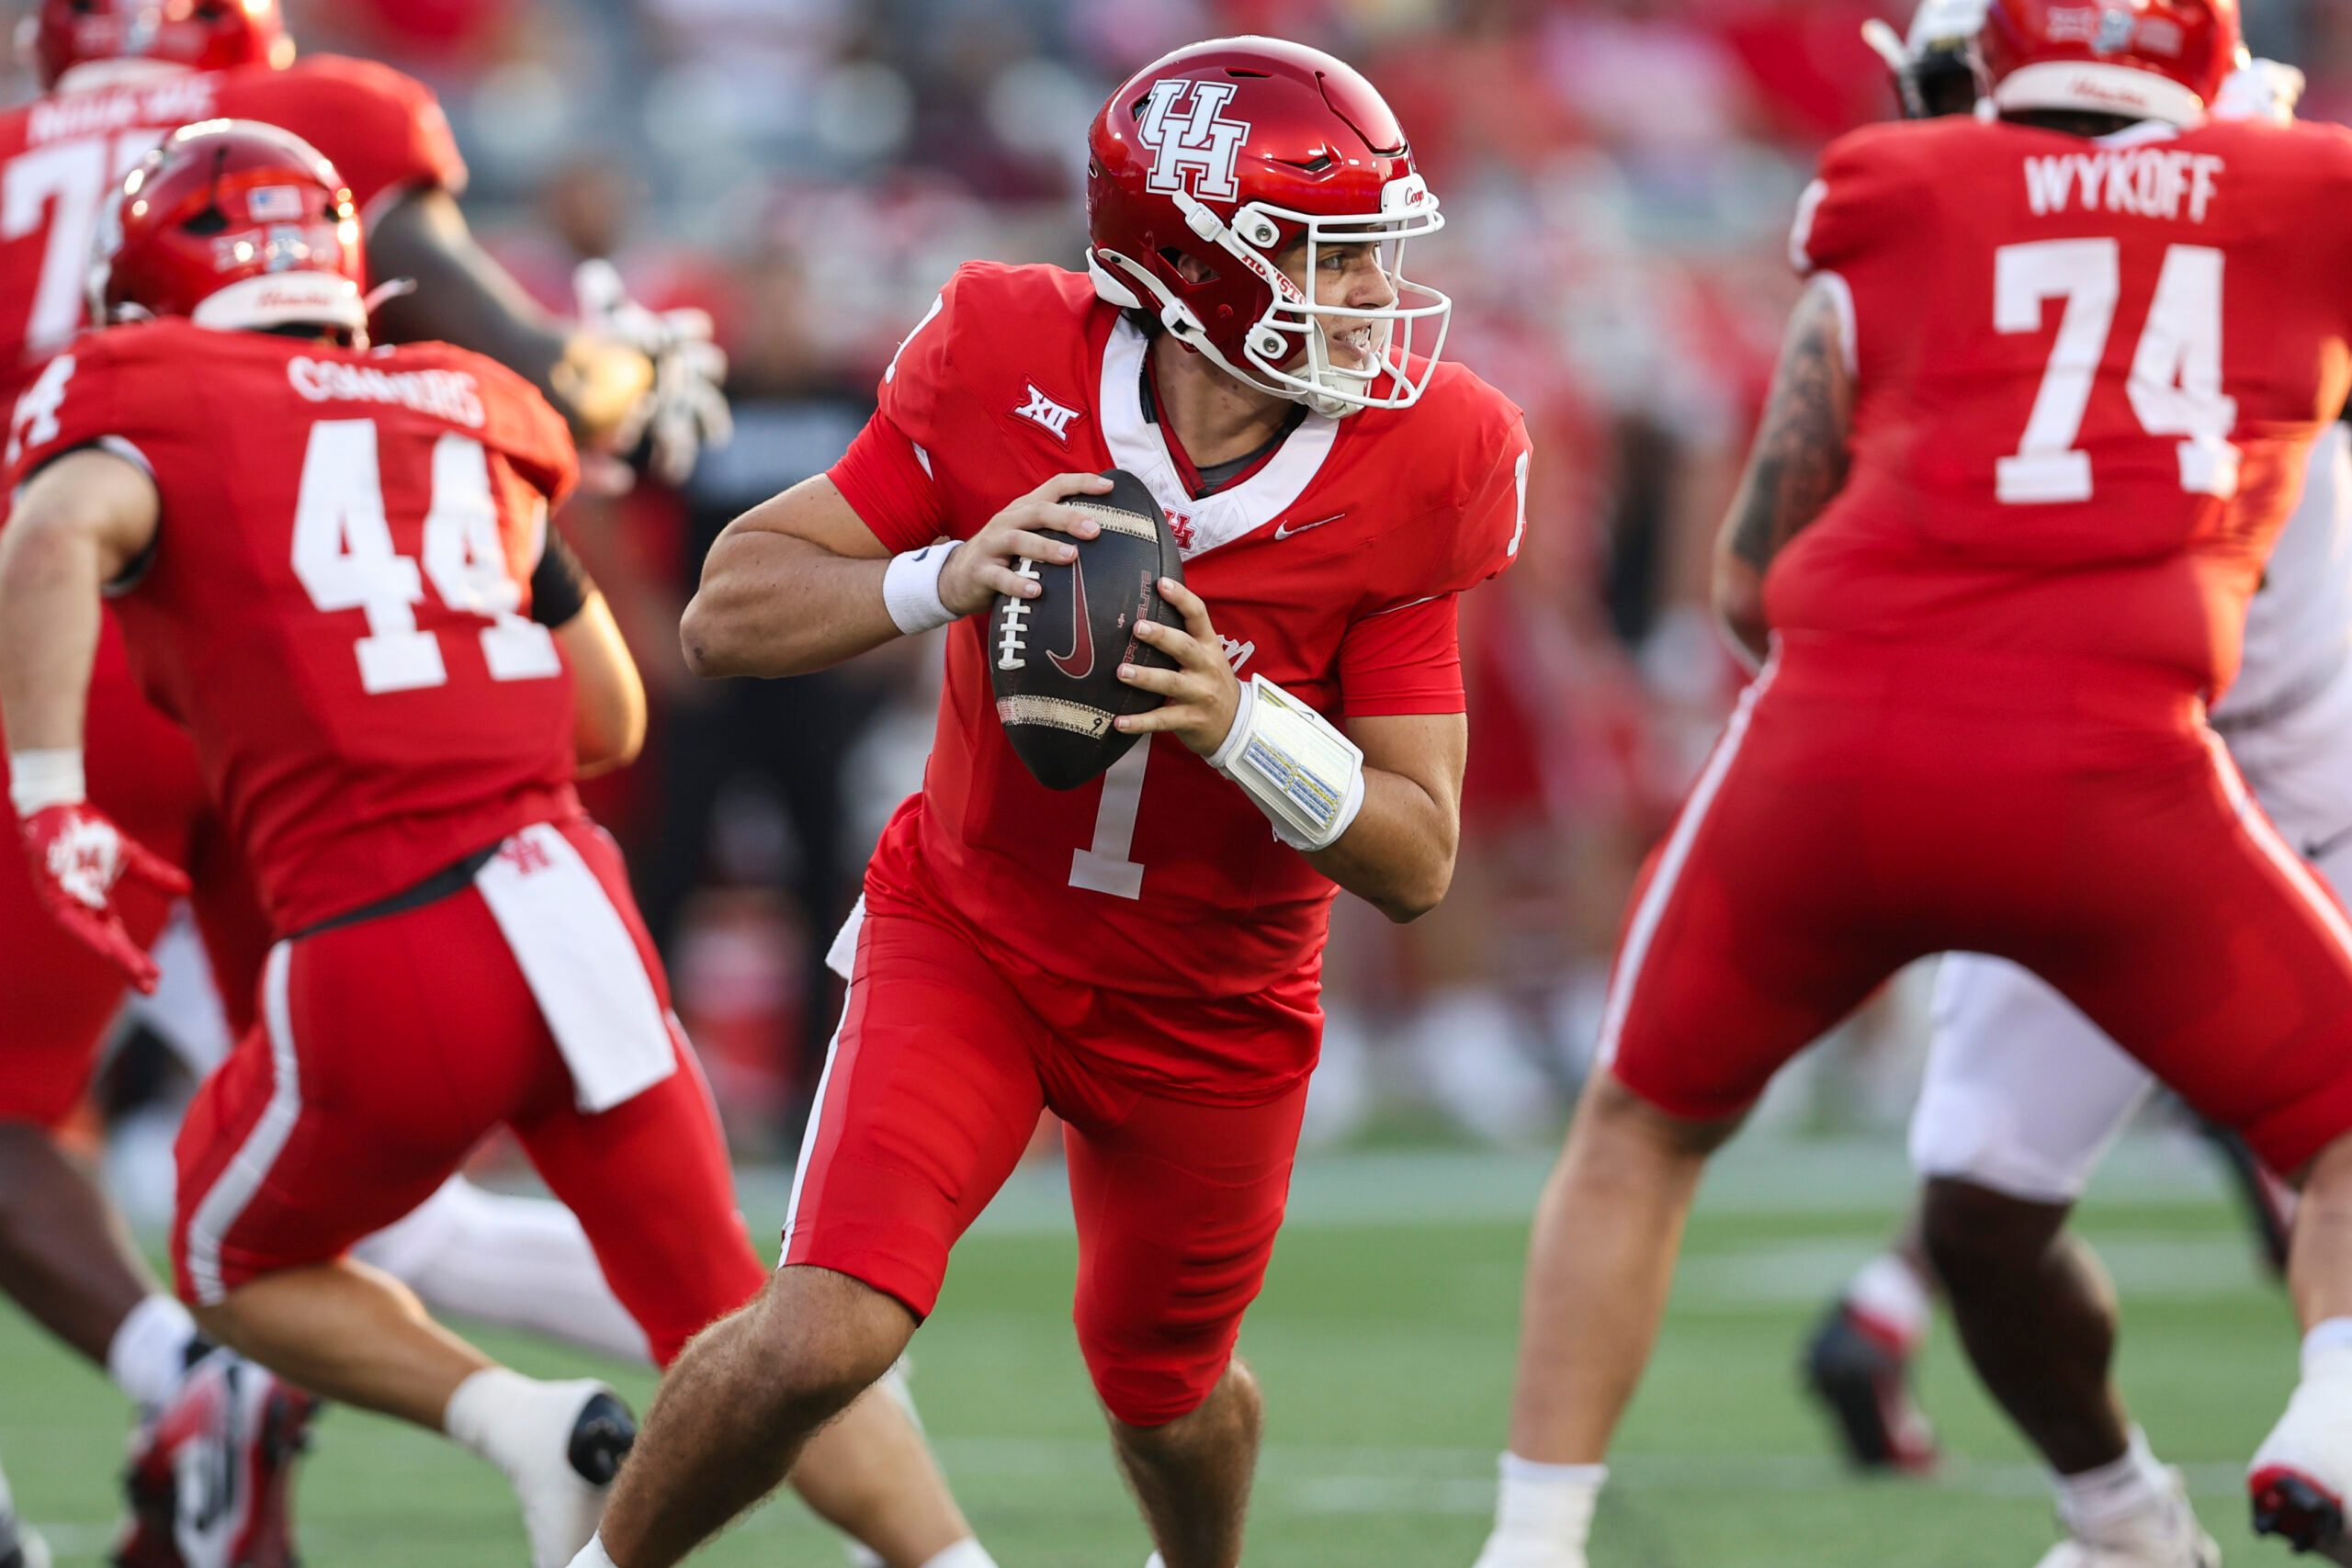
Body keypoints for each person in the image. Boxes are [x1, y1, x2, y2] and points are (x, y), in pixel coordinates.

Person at [0, 6, 983, 1566]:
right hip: (568, 909)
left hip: (377, 918)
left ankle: (506, 1423)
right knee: (741, 1319)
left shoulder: (139, 389)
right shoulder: (469, 409)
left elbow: (54, 537)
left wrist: (52, 793)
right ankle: (950, 1560)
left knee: (212, 1239)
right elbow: (604, 716)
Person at [562, 34, 1530, 1568]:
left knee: (1167, 1397)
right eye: (1327, 257)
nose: (1368, 298)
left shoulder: (1434, 450)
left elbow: (1417, 854)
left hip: (1216, 999)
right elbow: (725, 611)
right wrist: (943, 572)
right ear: (1197, 259)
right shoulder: (1009, 348)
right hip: (977, 935)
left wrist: (1243, 724)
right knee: (823, 1335)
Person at [1468, 2, 2352, 1564]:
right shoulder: (2294, 206)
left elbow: (1752, 583)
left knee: (1642, 1125)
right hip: (2141, 768)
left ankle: (1532, 1545)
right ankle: (2314, 1421)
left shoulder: (1899, 193)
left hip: (1852, 744)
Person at [1793, 20, 2326, 1566]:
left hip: (2303, 761)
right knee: (1980, 1210)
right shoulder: (1935, 216)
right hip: (2099, 766)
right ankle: (2125, 1522)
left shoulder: (2269, 188)